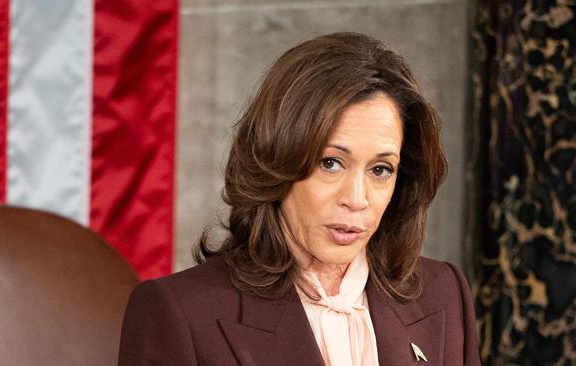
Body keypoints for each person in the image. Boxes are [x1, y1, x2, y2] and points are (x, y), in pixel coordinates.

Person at [118, 32, 480, 366]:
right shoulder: (178, 313)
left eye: (380, 170)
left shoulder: (443, 293)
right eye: (331, 163)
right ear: (277, 163)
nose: (356, 199)